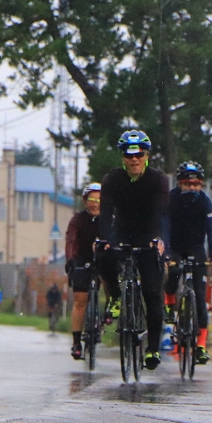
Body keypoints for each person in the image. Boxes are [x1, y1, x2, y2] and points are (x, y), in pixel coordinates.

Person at [97, 130, 170, 371]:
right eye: (129, 156)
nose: (134, 159)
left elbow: (160, 212)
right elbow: (106, 213)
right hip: (122, 230)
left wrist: (157, 238)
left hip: (148, 233)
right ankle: (117, 296)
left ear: (147, 156)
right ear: (123, 158)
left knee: (152, 293)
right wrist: (105, 238)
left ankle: (152, 349)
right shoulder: (112, 179)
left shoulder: (158, 180)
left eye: (139, 154)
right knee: (103, 253)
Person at [165, 161, 212, 365]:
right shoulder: (170, 199)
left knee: (200, 298)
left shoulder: (205, 201)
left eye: (196, 184)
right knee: (173, 272)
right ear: (180, 184)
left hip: (197, 247)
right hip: (175, 246)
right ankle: (170, 304)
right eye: (188, 184)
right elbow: (164, 225)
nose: (192, 188)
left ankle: (201, 345)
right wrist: (165, 252)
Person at [65, 182, 103, 359]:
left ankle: (108, 314)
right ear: (85, 201)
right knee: (80, 300)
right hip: (82, 259)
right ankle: (76, 342)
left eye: (99, 200)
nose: (95, 203)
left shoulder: (110, 219)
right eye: (91, 200)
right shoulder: (78, 220)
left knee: (111, 281)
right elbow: (71, 241)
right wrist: (71, 260)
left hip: (103, 259)